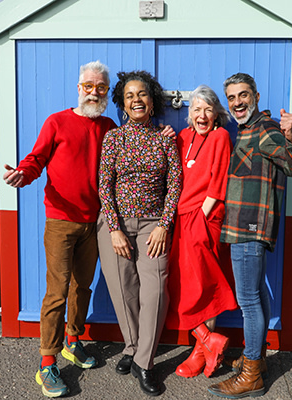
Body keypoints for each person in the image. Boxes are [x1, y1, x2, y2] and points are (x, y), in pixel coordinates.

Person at [2, 61, 115, 398]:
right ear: (78, 88)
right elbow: (36, 159)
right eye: (88, 86)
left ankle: (73, 341)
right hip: (61, 221)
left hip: (94, 222)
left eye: (100, 87)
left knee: (83, 287)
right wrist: (22, 174)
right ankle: (47, 363)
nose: (94, 92)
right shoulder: (57, 121)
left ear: (107, 92)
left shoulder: (109, 126)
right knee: (57, 292)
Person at [208, 73, 292, 398]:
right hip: (243, 227)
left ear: (256, 96)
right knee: (258, 296)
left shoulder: (265, 130)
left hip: (250, 228)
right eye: (232, 98)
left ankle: (251, 374)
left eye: (243, 95)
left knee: (248, 301)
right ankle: (258, 359)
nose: (237, 102)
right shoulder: (245, 130)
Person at [97, 70, 182, 397]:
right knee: (124, 291)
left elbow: (174, 183)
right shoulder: (114, 138)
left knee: (155, 293)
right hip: (115, 225)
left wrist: (163, 224)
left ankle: (144, 362)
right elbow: (104, 185)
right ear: (122, 101)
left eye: (142, 94)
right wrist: (115, 230)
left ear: (152, 100)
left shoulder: (164, 137)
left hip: (153, 227)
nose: (137, 99)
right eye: (130, 95)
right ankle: (132, 348)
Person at [165, 85, 238, 379]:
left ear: (217, 113)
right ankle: (208, 342)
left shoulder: (220, 137)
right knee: (181, 284)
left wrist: (202, 218)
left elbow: (218, 182)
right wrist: (163, 135)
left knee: (204, 285)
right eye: (196, 109)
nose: (202, 115)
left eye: (208, 109)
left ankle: (200, 349)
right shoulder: (184, 137)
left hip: (203, 218)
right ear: (189, 114)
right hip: (181, 218)